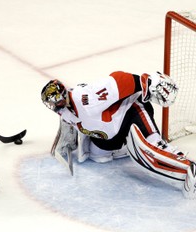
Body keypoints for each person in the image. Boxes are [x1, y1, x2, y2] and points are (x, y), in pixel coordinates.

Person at [41, 71, 196, 199]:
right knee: (98, 156)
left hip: (131, 111)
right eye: (50, 104)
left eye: (54, 102)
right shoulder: (63, 110)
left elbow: (118, 81)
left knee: (148, 153)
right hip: (113, 130)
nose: (53, 107)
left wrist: (148, 83)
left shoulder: (86, 98)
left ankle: (189, 169)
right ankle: (128, 144)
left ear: (62, 97)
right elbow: (71, 120)